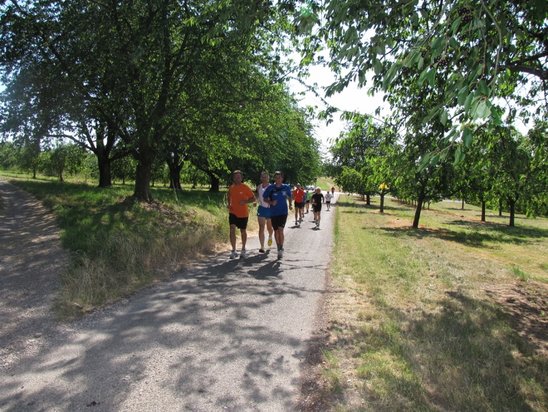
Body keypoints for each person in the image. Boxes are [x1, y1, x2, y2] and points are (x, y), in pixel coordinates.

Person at [263, 171, 293, 259]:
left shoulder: (286, 187)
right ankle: (278, 247)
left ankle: (281, 247)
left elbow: (290, 196)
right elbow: (264, 198)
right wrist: (271, 202)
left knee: (280, 229)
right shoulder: (270, 188)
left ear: (282, 178)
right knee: (276, 231)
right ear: (274, 179)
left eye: (279, 177)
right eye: (276, 178)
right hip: (274, 212)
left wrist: (290, 204)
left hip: (283, 212)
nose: (278, 179)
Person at [227, 170, 256, 259]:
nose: (237, 178)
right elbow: (228, 196)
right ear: (233, 178)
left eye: (239, 177)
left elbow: (253, 198)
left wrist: (245, 201)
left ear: (242, 178)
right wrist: (229, 204)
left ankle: (243, 249)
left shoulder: (245, 187)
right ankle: (234, 250)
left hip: (243, 213)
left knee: (243, 231)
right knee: (232, 228)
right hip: (233, 212)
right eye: (235, 177)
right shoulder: (231, 188)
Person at [256, 171, 274, 253]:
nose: (264, 178)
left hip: (269, 209)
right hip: (261, 208)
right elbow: (258, 197)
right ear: (261, 178)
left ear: (268, 178)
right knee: (261, 227)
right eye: (263, 177)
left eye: (266, 177)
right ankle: (262, 246)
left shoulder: (272, 187)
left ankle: (270, 236)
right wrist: (255, 201)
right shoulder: (259, 186)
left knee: (269, 227)